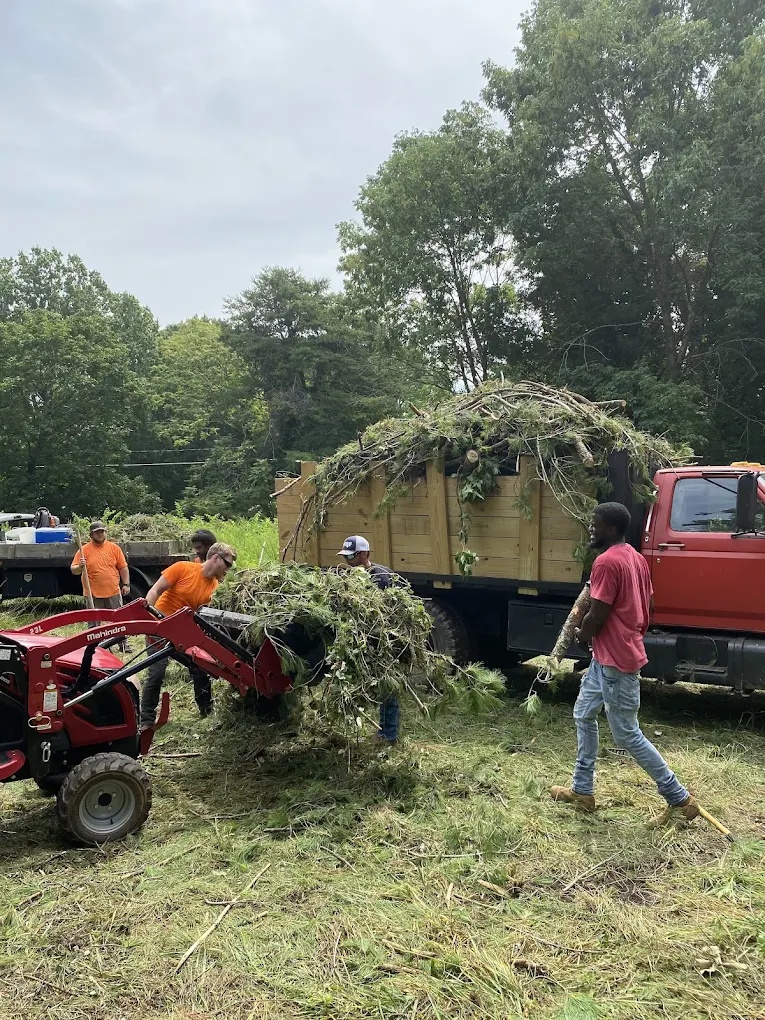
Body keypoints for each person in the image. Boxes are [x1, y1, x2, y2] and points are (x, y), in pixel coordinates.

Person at [550, 502, 699, 825]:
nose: (592, 528)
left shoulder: (605, 563)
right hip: (607, 659)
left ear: (613, 529)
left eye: (597, 524)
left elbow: (598, 614)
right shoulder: (635, 558)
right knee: (583, 713)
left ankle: (679, 799)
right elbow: (649, 602)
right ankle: (582, 791)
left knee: (628, 735)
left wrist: (582, 634)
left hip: (617, 660)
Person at [139, 542, 236, 728]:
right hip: (160, 626)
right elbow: (155, 590)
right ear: (215, 558)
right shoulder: (183, 568)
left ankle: (207, 712)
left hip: (182, 633)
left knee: (201, 667)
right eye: (228, 564)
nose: (228, 570)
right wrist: (148, 619)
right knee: (156, 673)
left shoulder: (215, 587)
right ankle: (146, 721)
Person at [337, 535, 399, 745]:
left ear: (364, 554)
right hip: (367, 638)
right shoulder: (352, 576)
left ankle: (389, 734)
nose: (348, 562)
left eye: (352, 557)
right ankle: (384, 730)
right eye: (346, 557)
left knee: (386, 684)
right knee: (377, 684)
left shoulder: (380, 576)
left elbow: (382, 612)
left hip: (384, 638)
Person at [71, 521, 131, 610]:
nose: (100, 534)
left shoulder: (114, 548)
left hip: (113, 592)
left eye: (102, 532)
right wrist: (80, 566)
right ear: (91, 535)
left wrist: (126, 584)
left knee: (117, 620)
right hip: (92, 594)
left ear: (105, 533)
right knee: (94, 622)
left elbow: (123, 567)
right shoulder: (83, 550)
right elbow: (74, 570)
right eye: (97, 532)